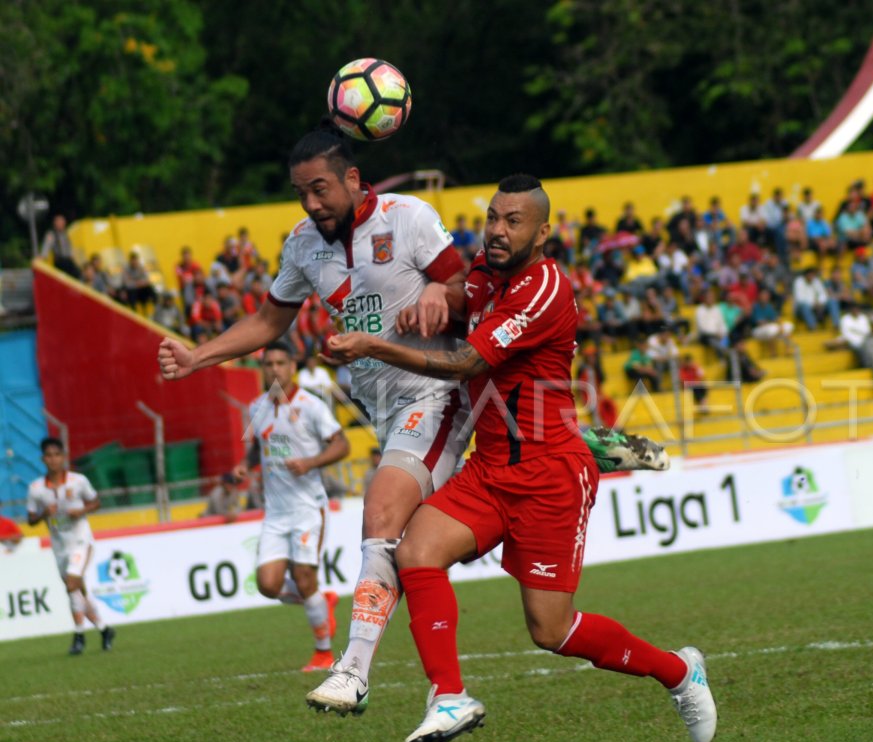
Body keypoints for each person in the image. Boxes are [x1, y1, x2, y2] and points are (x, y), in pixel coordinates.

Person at [160, 125, 668, 710]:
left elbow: (467, 288)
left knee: (382, 511)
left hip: (436, 393)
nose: (311, 203)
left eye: (320, 189)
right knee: (529, 616)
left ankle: (353, 669)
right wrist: (198, 356)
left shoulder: (409, 218)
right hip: (394, 409)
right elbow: (271, 322)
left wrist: (437, 290)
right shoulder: (302, 244)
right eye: (301, 192)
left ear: (352, 178)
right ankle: (583, 444)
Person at [319, 174, 716, 742]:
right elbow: (462, 294)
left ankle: (679, 673)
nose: (498, 231)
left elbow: (463, 364)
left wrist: (371, 343)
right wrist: (439, 294)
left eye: (514, 222)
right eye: (493, 217)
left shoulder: (544, 289)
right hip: (491, 467)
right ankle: (448, 696)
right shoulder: (486, 266)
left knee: (550, 631)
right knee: (415, 553)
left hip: (550, 476)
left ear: (543, 232)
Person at [233, 342, 349, 671]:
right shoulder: (257, 406)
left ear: (292, 367)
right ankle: (320, 600)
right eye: (268, 364)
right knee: (269, 586)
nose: (274, 369)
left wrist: (311, 462)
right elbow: (258, 446)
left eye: (280, 363)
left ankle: (323, 652)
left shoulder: (311, 405)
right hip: (276, 512)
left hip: (308, 508)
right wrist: (246, 464)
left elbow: (342, 444)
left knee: (302, 576)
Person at [26, 437, 113, 655]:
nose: (53, 460)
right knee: (77, 591)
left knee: (72, 584)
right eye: (49, 456)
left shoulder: (78, 481)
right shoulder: (36, 488)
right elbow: (30, 519)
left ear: (63, 457)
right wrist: (43, 514)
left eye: (57, 455)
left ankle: (78, 636)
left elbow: (96, 502)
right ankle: (104, 630)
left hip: (81, 541)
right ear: (43, 459)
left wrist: (82, 511)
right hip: (59, 546)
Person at [40, 214, 82, 279]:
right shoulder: (51, 234)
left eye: (63, 223)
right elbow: (46, 247)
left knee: (78, 274)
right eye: (60, 223)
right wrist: (42, 257)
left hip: (68, 261)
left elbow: (69, 248)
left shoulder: (65, 234)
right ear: (55, 223)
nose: (62, 224)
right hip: (60, 262)